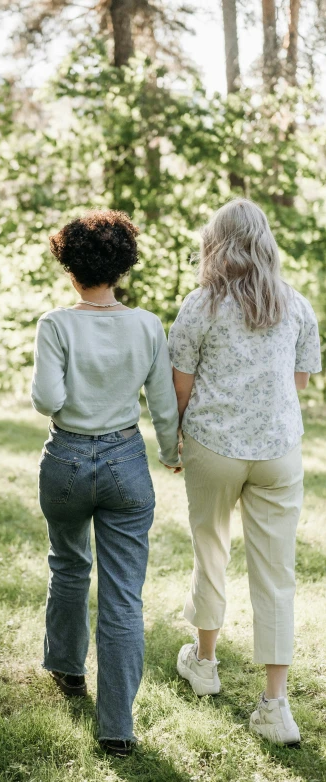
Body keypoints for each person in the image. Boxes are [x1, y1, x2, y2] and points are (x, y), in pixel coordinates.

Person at [168, 198, 322, 745]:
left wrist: (174, 443)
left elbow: (179, 386)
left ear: (218, 242)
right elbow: (298, 385)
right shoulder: (297, 306)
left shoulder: (201, 305)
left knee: (210, 549)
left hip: (213, 446)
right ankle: (275, 706)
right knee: (276, 573)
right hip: (278, 451)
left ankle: (204, 664)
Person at [31, 209, 182, 756]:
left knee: (68, 564)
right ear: (122, 268)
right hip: (126, 462)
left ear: (69, 267)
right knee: (123, 598)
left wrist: (77, 406)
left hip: (66, 459)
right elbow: (163, 404)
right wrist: (170, 452)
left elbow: (47, 399)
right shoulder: (146, 325)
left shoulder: (55, 324)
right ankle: (116, 729)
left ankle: (68, 670)